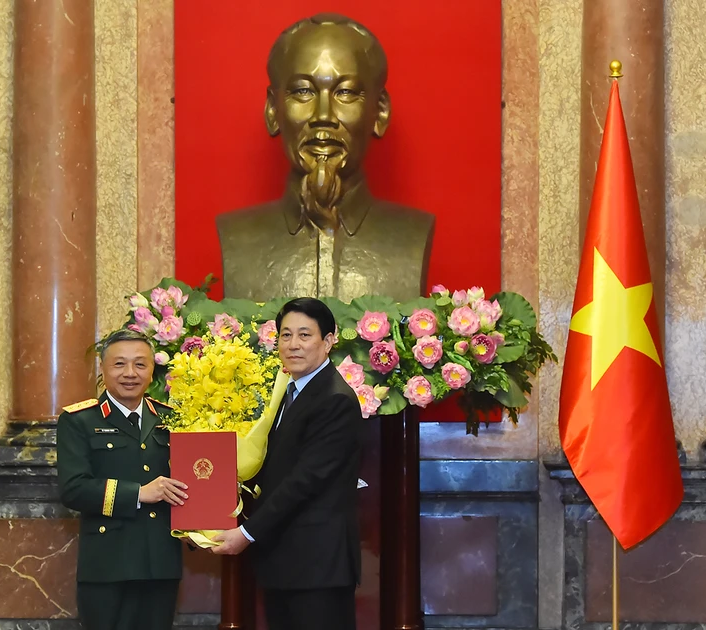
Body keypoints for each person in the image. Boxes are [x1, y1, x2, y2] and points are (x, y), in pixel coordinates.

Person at [216, 13, 434, 303]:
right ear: (272, 110)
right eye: (303, 91)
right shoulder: (238, 237)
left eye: (345, 92)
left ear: (379, 112)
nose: (323, 116)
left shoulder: (411, 236)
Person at [210, 297, 364, 630]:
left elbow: (304, 481)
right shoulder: (290, 391)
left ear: (328, 341)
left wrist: (247, 533)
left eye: (305, 335)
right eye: (285, 335)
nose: (293, 345)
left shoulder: (335, 399)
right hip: (286, 560)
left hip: (317, 565)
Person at [57, 328, 190, 630]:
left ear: (153, 370)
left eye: (140, 364)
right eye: (119, 364)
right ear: (102, 369)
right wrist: (139, 493)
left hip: (160, 564)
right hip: (107, 564)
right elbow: (73, 488)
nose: (130, 373)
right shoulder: (79, 420)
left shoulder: (172, 418)